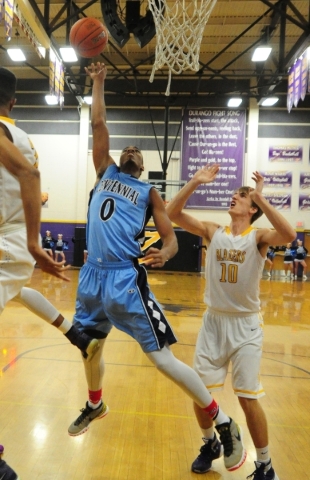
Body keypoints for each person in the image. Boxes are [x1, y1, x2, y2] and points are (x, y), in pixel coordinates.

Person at [67, 62, 246, 473]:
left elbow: (171, 238)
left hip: (124, 280)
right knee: (89, 348)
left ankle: (222, 420)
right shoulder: (104, 170)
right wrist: (98, 83)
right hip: (92, 275)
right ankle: (95, 403)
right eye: (125, 148)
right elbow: (98, 124)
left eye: (136, 151)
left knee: (162, 361)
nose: (129, 150)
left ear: (142, 166)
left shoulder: (149, 193)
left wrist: (166, 252)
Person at [166, 165, 296, 479]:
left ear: (251, 208)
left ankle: (265, 465)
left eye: (239, 197)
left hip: (246, 325)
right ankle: (211, 444)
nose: (231, 199)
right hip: (213, 322)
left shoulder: (259, 237)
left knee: (247, 397)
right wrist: (195, 181)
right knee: (200, 392)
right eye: (233, 196)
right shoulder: (213, 231)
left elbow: (290, 235)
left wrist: (260, 198)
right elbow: (172, 212)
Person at [0, 67, 99, 361]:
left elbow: (30, 176)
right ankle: (75, 334)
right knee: (16, 289)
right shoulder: (21, 137)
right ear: (14, 102)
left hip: (9, 241)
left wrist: (34, 243)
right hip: (14, 240)